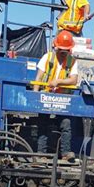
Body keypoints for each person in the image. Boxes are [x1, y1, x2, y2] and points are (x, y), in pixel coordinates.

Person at [33, 30, 78, 160]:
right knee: (43, 123)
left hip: (62, 99)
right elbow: (39, 77)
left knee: (66, 124)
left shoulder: (72, 61)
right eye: (61, 50)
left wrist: (58, 81)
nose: (63, 53)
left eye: (66, 51)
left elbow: (74, 80)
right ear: (56, 47)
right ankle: (41, 154)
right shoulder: (47, 58)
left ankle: (65, 153)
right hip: (46, 96)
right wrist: (35, 96)